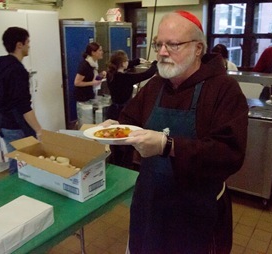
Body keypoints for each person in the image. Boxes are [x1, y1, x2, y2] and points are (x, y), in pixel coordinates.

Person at [102, 10, 248, 253]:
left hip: (195, 212)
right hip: (150, 206)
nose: (161, 52)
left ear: (198, 48)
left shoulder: (223, 89)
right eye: (158, 44)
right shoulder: (156, 85)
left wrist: (168, 146)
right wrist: (113, 128)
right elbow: (129, 119)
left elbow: (229, 153)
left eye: (173, 44)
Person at [0, 27, 42, 175]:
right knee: (21, 164)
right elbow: (23, 106)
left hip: (3, 122)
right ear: (19, 45)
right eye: (28, 42)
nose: (29, 45)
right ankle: (18, 194)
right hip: (15, 124)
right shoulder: (18, 71)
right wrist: (39, 130)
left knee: (17, 160)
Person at [106, 50, 158, 168]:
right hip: (122, 112)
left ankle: (114, 163)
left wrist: (138, 61)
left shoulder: (111, 75)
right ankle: (124, 165)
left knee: (113, 141)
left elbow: (126, 64)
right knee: (124, 141)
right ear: (123, 63)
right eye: (127, 60)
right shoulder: (125, 78)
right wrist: (155, 64)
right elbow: (146, 74)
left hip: (112, 110)